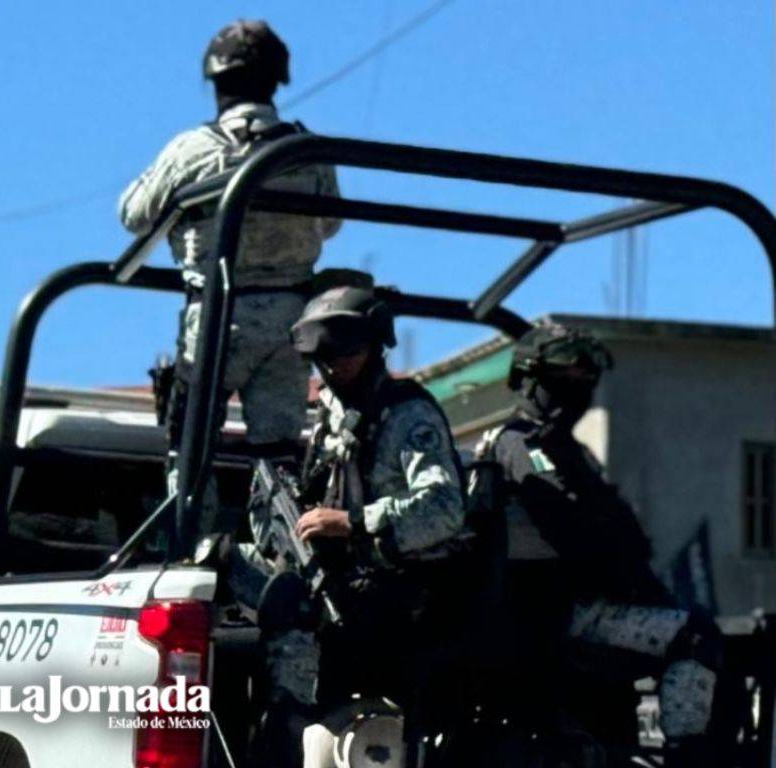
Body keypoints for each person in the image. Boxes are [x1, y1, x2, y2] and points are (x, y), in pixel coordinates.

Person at [479, 323, 722, 767]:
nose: (578, 391)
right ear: (531, 379)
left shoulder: (568, 451)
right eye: (564, 380)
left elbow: (617, 531)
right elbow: (578, 529)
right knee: (694, 636)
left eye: (585, 381)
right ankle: (687, 757)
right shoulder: (522, 445)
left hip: (577, 605)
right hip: (555, 613)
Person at [119, 19, 342, 471]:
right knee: (280, 461)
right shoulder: (306, 150)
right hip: (290, 321)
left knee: (188, 454)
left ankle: (194, 538)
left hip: (216, 320)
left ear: (216, 81)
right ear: (278, 80)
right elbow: (331, 224)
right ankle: (279, 536)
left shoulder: (190, 149)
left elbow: (133, 215)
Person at [272, 285, 469, 765]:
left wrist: (355, 523)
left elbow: (445, 508)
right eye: (325, 355)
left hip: (405, 595)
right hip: (348, 587)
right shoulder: (331, 415)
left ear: (375, 345)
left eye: (347, 351)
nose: (335, 363)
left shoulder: (407, 413)